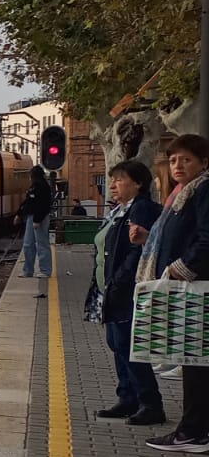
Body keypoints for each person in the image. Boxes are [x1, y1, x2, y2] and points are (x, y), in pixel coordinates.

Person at [134, 133, 209, 452]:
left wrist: (182, 266)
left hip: (195, 288)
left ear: (203, 163)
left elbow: (207, 239)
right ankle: (195, 430)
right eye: (174, 159)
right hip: (191, 286)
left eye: (186, 159)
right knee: (194, 363)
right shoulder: (182, 192)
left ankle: (193, 433)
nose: (178, 165)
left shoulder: (203, 189)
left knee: (197, 365)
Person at [95, 161, 163, 425]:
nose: (112, 185)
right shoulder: (122, 209)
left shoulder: (141, 208)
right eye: (112, 180)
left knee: (128, 345)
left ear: (138, 183)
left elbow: (138, 250)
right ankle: (128, 398)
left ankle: (150, 403)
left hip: (126, 290)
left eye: (119, 180)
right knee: (117, 344)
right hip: (113, 288)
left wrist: (121, 279)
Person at [16, 166, 53, 278]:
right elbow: (28, 202)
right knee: (28, 244)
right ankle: (28, 270)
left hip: (39, 218)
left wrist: (37, 220)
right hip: (31, 217)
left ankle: (45, 270)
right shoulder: (34, 187)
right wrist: (19, 213)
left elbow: (43, 205)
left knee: (42, 244)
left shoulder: (42, 187)